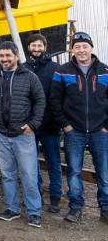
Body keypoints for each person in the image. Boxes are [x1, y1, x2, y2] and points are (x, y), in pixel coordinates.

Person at [0, 41, 46, 227]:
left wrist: (32, 125)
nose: (4, 59)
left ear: (16, 56)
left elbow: (40, 101)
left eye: (8, 56)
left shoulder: (29, 76)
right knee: (7, 174)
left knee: (28, 174)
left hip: (23, 134)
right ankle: (12, 208)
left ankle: (34, 212)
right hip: (0, 134)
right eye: (1, 56)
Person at [50, 31, 108, 223]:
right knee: (74, 170)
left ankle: (105, 208)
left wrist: (106, 126)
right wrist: (65, 125)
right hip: (74, 131)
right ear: (72, 49)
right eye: (77, 47)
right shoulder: (62, 71)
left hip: (100, 132)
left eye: (85, 46)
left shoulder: (105, 71)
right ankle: (75, 207)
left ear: (91, 48)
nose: (81, 50)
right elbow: (54, 101)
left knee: (104, 171)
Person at [25, 33, 63, 213]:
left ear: (45, 47)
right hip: (30, 126)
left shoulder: (56, 68)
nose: (37, 49)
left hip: (50, 125)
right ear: (29, 48)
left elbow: (59, 96)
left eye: (40, 46)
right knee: (31, 164)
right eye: (33, 46)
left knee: (53, 162)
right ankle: (36, 194)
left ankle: (55, 196)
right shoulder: (23, 68)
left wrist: (59, 121)